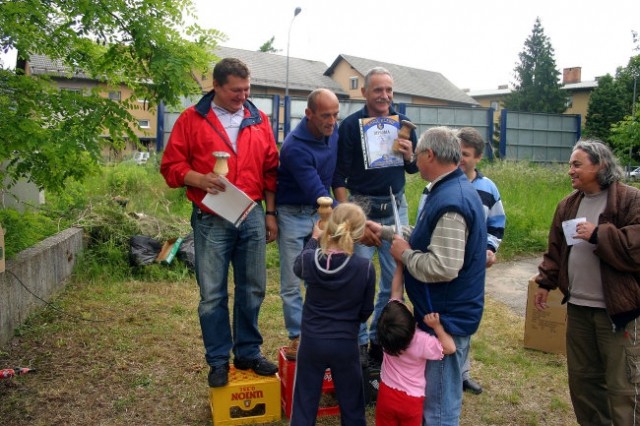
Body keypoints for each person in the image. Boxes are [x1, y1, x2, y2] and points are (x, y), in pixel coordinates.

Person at [160, 57, 279, 388]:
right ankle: (217, 360)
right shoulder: (191, 119)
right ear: (216, 86)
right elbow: (170, 167)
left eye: (247, 89)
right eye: (235, 91)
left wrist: (270, 213)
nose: (243, 96)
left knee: (253, 288)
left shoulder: (259, 119)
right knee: (212, 295)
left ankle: (248, 353)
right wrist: (199, 178)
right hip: (211, 218)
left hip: (252, 214)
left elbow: (271, 169)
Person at [368, 126, 486, 425]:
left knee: (439, 407)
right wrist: (384, 232)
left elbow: (445, 266)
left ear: (430, 154)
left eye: (418, 155)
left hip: (447, 317)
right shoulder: (443, 190)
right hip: (439, 312)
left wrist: (404, 255)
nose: (415, 161)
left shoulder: (452, 200)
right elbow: (423, 236)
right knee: (433, 402)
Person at [534, 140, 640, 426]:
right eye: (570, 164)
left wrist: (599, 235)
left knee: (622, 387)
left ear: (600, 165)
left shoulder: (630, 199)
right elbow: (556, 250)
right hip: (578, 309)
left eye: (577, 164)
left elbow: (636, 246)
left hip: (617, 313)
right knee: (584, 384)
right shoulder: (568, 205)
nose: (570, 171)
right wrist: (545, 282)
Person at [334, 66, 418, 366]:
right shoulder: (349, 126)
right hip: (361, 204)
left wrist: (409, 155)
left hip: (396, 204)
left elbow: (413, 169)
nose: (385, 96)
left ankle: (378, 340)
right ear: (365, 92)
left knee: (393, 277)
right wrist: (350, 216)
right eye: (378, 90)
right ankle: (356, 342)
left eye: (389, 90)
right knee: (357, 276)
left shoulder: (403, 124)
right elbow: (338, 175)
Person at [290, 203, 375, 426]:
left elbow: (298, 265)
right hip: (345, 343)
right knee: (352, 406)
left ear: (329, 228)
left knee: (304, 404)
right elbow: (366, 310)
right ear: (358, 234)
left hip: (311, 342)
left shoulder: (312, 260)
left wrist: (314, 238)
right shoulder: (365, 267)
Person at [275, 88, 340, 360]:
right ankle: (297, 336)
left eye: (336, 115)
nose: (332, 121)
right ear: (309, 114)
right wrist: (346, 220)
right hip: (293, 213)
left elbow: (335, 174)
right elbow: (317, 190)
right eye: (326, 115)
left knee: (320, 276)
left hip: (319, 212)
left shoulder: (333, 132)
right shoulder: (294, 147)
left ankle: (317, 332)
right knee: (292, 280)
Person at [456, 127, 506, 395]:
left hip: (473, 269)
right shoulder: (438, 184)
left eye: (466, 154)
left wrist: (489, 248)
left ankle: (462, 374)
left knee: (467, 318)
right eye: (457, 153)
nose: (460, 158)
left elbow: (497, 224)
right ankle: (445, 369)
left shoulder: (488, 189)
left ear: (477, 158)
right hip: (446, 264)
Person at [375, 263, 456, 426]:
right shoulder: (420, 340)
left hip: (386, 395)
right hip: (411, 400)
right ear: (411, 322)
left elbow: (396, 291)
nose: (402, 302)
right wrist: (437, 327)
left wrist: (399, 265)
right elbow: (450, 348)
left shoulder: (386, 330)